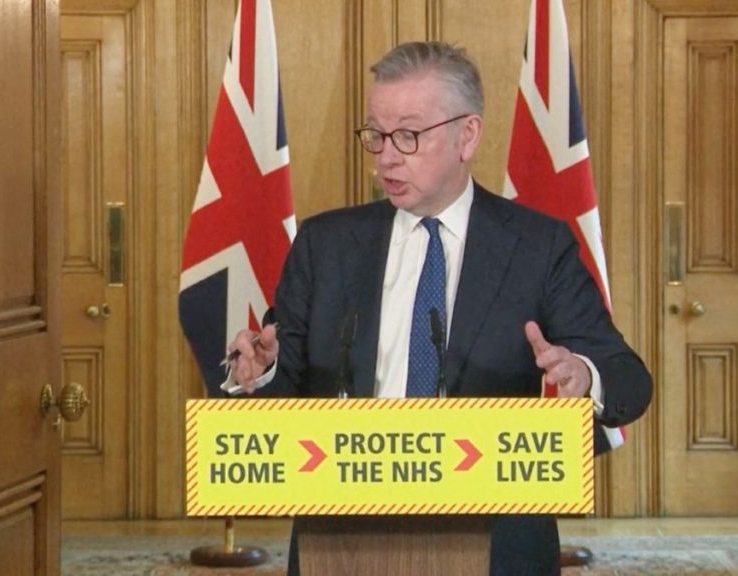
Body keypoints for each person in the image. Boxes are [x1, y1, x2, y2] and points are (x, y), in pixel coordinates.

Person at [225, 41, 652, 576]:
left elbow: (629, 380)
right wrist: (262, 373)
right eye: (376, 135)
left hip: (496, 537)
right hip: (343, 538)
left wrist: (582, 376)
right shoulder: (326, 244)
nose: (386, 155)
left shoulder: (537, 246)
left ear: (466, 135)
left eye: (408, 134)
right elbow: (285, 383)